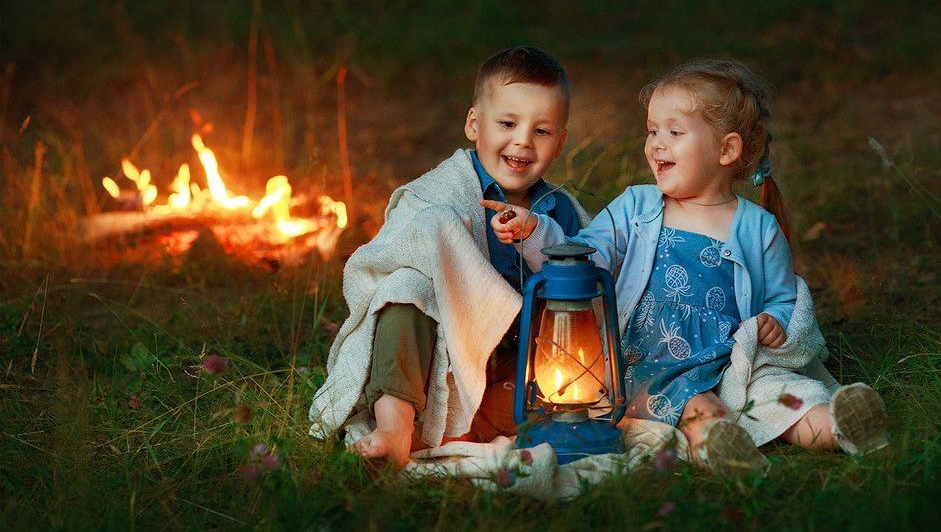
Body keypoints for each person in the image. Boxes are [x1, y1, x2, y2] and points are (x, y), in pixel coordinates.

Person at [486, 58, 889, 472]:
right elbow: (584, 257)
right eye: (652, 131)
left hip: (733, 363)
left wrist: (775, 322)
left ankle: (842, 425)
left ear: (726, 149)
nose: (657, 143)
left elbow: (785, 298)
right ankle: (721, 450)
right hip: (650, 361)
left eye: (674, 133)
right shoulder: (637, 207)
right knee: (700, 407)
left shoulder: (757, 228)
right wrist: (534, 231)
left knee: (786, 398)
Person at [308, 46, 588, 466]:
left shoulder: (560, 210)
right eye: (508, 123)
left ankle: (472, 428)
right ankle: (395, 425)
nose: (523, 141)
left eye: (542, 131)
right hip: (445, 349)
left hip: (520, 363)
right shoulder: (440, 192)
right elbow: (398, 250)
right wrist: (449, 238)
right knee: (404, 288)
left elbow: (591, 279)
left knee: (566, 360)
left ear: (561, 142)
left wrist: (536, 238)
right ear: (474, 124)